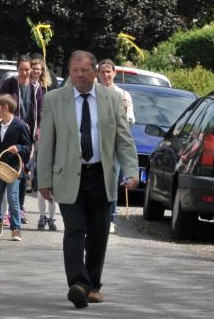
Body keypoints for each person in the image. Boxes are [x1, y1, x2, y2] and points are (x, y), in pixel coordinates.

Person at [37, 50, 138, 309]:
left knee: (99, 233)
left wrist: (131, 170)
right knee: (74, 231)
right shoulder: (54, 99)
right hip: (68, 176)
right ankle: (79, 284)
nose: (79, 75)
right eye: (74, 71)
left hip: (101, 175)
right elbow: (46, 142)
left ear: (95, 72)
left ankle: (93, 285)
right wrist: (44, 180)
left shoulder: (112, 99)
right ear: (69, 73)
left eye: (84, 70)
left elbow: (123, 139)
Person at [0, 55, 43, 223]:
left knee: (24, 170)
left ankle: (20, 207)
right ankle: (4, 210)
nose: (25, 73)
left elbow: (40, 111)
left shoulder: (36, 87)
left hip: (28, 134)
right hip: (12, 130)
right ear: (17, 69)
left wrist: (38, 131)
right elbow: (2, 104)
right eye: (22, 69)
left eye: (27, 69)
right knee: (7, 169)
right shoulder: (9, 84)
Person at [97, 59, 136, 234]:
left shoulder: (123, 94)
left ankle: (111, 219)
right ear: (98, 74)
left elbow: (129, 124)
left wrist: (125, 110)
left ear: (114, 73)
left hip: (114, 146)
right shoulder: (93, 92)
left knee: (111, 182)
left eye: (108, 72)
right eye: (103, 72)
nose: (106, 75)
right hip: (96, 145)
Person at [0, 94, 32, 241]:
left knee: (13, 198)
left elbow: (28, 147)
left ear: (6, 107)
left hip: (14, 168)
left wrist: (18, 148)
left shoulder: (20, 125)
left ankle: (16, 229)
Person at [29, 55, 57, 230]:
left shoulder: (50, 83)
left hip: (53, 148)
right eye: (34, 68)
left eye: (39, 69)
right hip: (39, 143)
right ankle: (41, 216)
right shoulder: (31, 87)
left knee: (52, 189)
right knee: (41, 186)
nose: (36, 71)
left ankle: (52, 219)